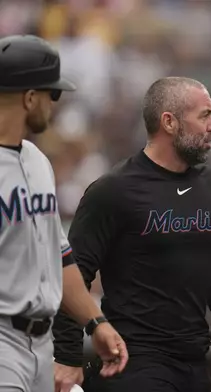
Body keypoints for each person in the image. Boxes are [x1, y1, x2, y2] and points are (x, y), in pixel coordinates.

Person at [52, 76, 211, 392]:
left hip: (194, 362)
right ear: (169, 122)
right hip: (135, 363)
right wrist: (67, 355)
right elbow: (72, 275)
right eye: (204, 115)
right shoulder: (113, 190)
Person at [0, 34, 128, 392]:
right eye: (51, 94)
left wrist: (95, 321)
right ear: (29, 98)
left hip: (41, 346)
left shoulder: (38, 162)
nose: (54, 104)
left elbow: (59, 257)